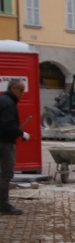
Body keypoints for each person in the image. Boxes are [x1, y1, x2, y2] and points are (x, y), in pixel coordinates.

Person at [0, 78, 30, 216]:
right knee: (6, 174)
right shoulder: (8, 103)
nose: (22, 94)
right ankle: (3, 205)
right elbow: (7, 125)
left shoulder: (4, 100)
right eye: (21, 90)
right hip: (5, 143)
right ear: (13, 89)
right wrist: (22, 133)